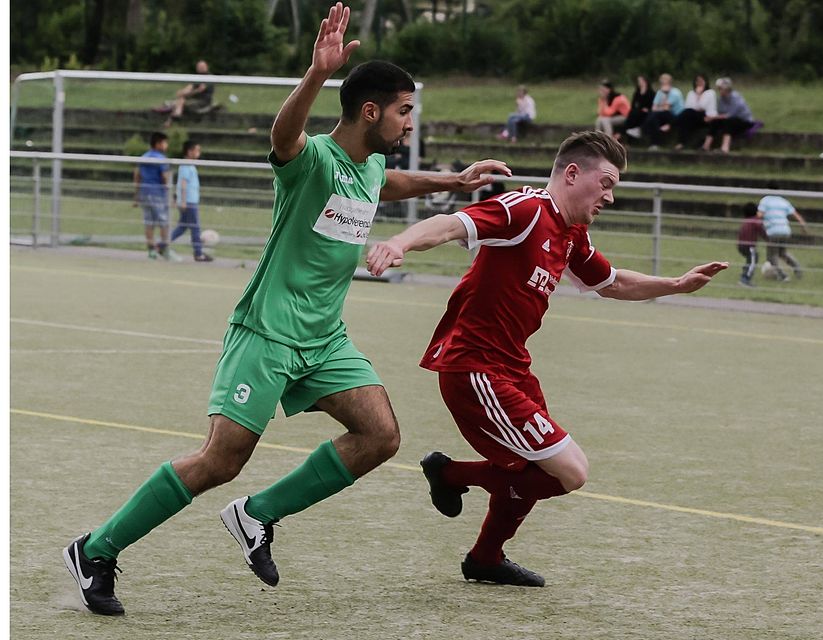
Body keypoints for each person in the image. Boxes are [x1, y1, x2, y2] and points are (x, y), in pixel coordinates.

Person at [62, 3, 510, 616]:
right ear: (371, 111)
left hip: (324, 339)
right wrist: (317, 74)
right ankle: (96, 548)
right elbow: (284, 135)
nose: (410, 121)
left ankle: (258, 514)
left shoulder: (371, 163)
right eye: (405, 110)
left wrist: (452, 182)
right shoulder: (311, 162)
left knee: (380, 436)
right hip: (267, 332)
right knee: (221, 459)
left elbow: (390, 181)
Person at [366, 131, 727, 586]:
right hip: (475, 368)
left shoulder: (572, 232)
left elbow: (612, 283)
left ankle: (484, 557)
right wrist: (399, 243)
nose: (610, 197)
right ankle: (452, 474)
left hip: (512, 367)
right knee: (569, 471)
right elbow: (451, 224)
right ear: (573, 174)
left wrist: (675, 285)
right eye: (607, 183)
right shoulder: (527, 209)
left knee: (534, 466)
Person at [170, 140, 213, 262]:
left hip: (190, 201)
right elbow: (182, 184)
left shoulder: (190, 165)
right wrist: (182, 201)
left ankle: (162, 244)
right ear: (189, 151)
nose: (198, 153)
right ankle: (198, 254)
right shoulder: (185, 165)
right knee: (195, 228)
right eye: (197, 150)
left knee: (182, 227)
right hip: (189, 202)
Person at [133, 131, 173, 260]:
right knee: (164, 222)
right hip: (158, 193)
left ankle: (151, 249)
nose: (166, 145)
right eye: (165, 143)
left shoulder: (144, 156)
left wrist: (137, 194)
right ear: (158, 144)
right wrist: (169, 193)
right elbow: (165, 177)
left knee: (149, 222)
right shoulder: (161, 159)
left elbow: (137, 175)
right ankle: (164, 248)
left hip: (145, 192)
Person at [758, 190, 807, 281]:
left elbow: (760, 215)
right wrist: (803, 226)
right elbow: (796, 215)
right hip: (785, 231)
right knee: (782, 253)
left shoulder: (765, 200)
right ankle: (797, 267)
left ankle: (782, 276)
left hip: (773, 231)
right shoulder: (783, 200)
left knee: (771, 256)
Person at [702, 77, 755, 153]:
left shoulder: (735, 97)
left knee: (728, 121)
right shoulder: (721, 99)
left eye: (720, 88)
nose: (719, 90)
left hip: (744, 121)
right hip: (731, 120)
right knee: (715, 122)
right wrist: (713, 118)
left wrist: (712, 117)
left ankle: (725, 148)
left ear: (726, 88)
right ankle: (706, 146)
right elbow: (720, 113)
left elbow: (730, 115)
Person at [162, 60, 215, 126]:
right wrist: (182, 92)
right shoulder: (197, 78)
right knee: (180, 100)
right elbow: (188, 89)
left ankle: (172, 119)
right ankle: (175, 115)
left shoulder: (209, 78)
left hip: (203, 102)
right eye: (199, 66)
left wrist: (186, 94)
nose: (200, 68)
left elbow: (199, 90)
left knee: (179, 101)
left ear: (206, 67)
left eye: (202, 66)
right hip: (193, 101)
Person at [673, 74, 716, 150]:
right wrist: (696, 97)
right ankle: (681, 143)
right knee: (685, 118)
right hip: (692, 115)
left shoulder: (710, 93)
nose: (699, 83)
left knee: (687, 114)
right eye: (697, 81)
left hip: (706, 117)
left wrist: (698, 95)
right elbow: (688, 106)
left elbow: (702, 106)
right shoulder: (691, 93)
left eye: (701, 81)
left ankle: (672, 123)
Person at [641, 73, 684, 149]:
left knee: (654, 115)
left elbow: (666, 108)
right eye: (662, 83)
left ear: (670, 83)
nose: (663, 85)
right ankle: (654, 143)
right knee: (653, 116)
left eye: (665, 83)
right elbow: (654, 108)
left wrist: (665, 94)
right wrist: (660, 106)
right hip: (663, 114)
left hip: (676, 116)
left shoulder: (675, 93)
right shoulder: (659, 92)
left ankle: (644, 130)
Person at [737, 202, 765, 287]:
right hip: (749, 246)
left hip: (741, 245)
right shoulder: (755, 221)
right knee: (753, 260)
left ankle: (745, 272)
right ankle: (745, 279)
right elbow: (762, 231)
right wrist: (768, 239)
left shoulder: (746, 221)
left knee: (750, 260)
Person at [621, 74, 655, 141]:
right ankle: (626, 134)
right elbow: (633, 104)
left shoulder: (651, 93)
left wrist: (648, 109)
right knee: (633, 114)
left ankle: (622, 133)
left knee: (635, 115)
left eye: (640, 81)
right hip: (638, 111)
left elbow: (653, 104)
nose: (639, 82)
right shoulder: (637, 92)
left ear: (645, 81)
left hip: (647, 112)